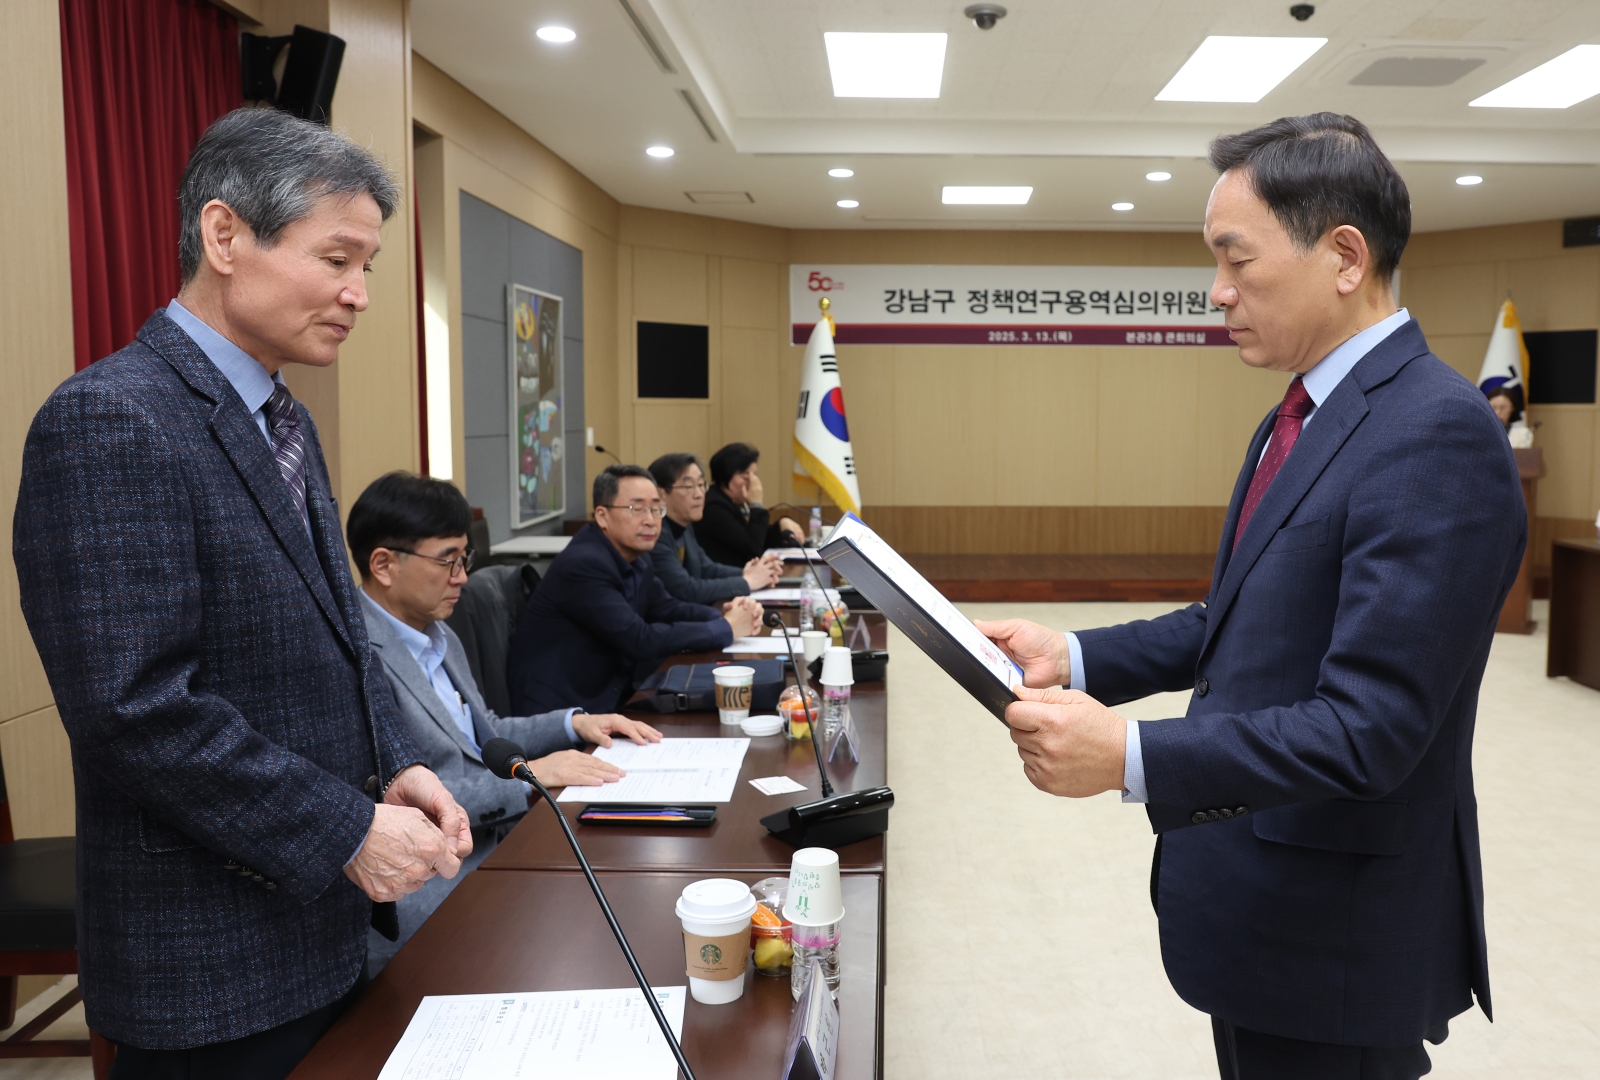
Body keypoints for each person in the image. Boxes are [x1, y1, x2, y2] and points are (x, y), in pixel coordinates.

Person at [975, 114, 1525, 1080]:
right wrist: (1078, 657)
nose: (1217, 292)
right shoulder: (1305, 412)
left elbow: (1371, 728)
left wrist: (1129, 753)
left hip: (1335, 933)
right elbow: (1237, 619)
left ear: (1344, 256)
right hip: (1263, 899)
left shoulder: (1433, 431)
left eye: (1237, 260)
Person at [13, 109, 473, 1078]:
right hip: (208, 964)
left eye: (370, 267)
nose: (357, 294)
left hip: (321, 933)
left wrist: (392, 767)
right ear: (225, 236)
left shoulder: (277, 414)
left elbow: (331, 636)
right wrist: (347, 829)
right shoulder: (109, 419)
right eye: (337, 258)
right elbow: (134, 711)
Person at [347, 471, 662, 974]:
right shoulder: (354, 656)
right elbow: (396, 801)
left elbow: (482, 732)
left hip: (501, 847)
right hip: (435, 886)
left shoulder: (438, 635)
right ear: (383, 564)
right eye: (447, 560)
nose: (463, 577)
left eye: (464, 559)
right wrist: (533, 779)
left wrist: (574, 724)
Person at [507, 465, 764, 715]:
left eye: (655, 509)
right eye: (637, 508)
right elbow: (639, 638)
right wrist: (725, 629)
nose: (651, 520)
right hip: (560, 708)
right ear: (602, 516)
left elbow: (666, 607)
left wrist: (722, 616)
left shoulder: (636, 555)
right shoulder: (584, 564)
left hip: (607, 695)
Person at [648, 452, 782, 604]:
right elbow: (686, 590)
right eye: (689, 486)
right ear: (661, 494)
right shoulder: (654, 533)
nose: (699, 494)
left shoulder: (684, 525)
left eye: (700, 485)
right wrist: (748, 581)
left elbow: (706, 568)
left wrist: (748, 572)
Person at [695, 442, 806, 567]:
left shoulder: (735, 502)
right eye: (745, 477)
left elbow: (760, 539)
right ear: (726, 477)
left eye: (755, 475)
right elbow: (753, 549)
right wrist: (756, 505)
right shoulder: (714, 508)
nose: (754, 483)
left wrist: (782, 523)